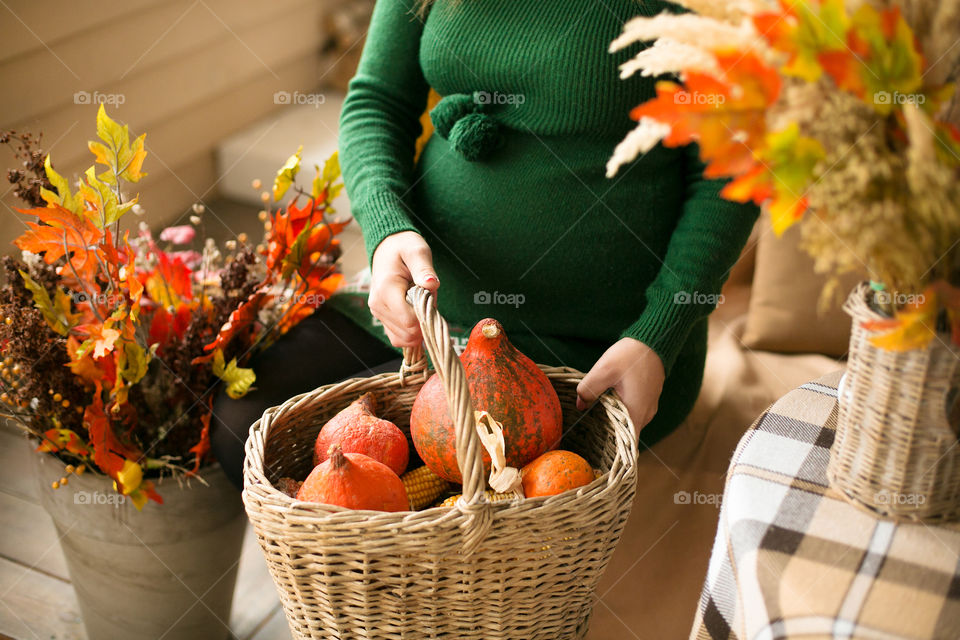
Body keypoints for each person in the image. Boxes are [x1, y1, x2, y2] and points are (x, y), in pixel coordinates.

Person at [211, 0, 758, 489]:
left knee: (377, 477)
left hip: (593, 347)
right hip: (425, 314)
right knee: (243, 424)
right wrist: (386, 236)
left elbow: (729, 176)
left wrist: (657, 336)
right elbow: (376, 101)